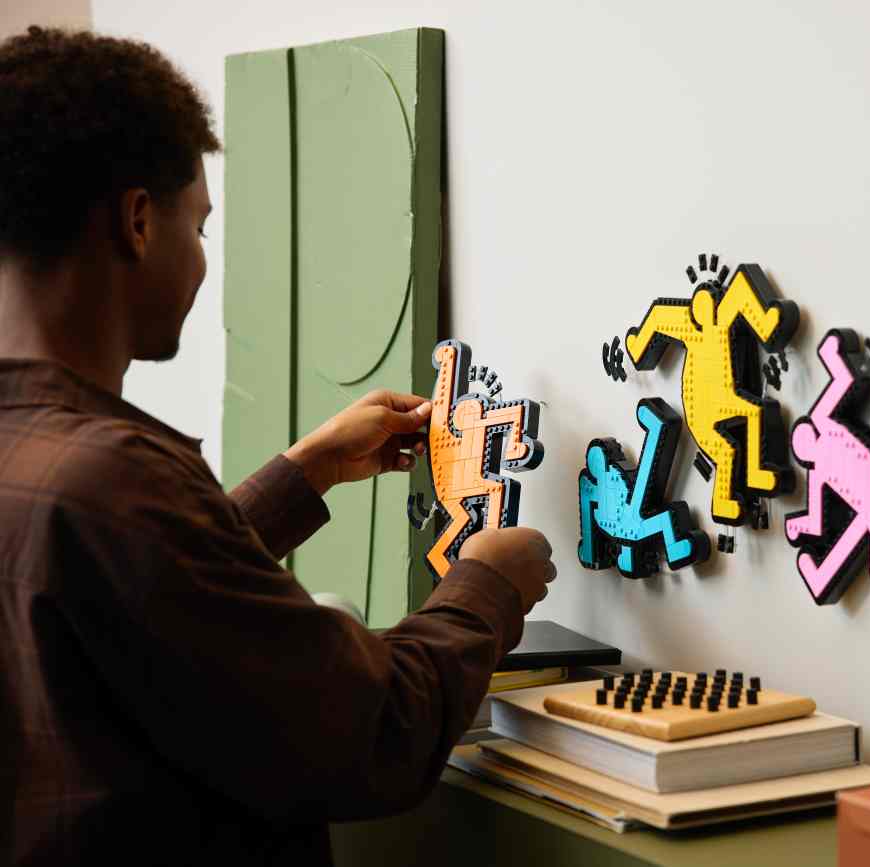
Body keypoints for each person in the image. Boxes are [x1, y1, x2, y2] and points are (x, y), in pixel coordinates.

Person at [0, 27, 556, 865]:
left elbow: (138, 597)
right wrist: (487, 585)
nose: (202, 261)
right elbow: (374, 732)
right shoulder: (118, 484)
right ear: (138, 222)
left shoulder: (72, 475)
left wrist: (305, 472)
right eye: (200, 227)